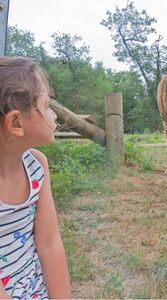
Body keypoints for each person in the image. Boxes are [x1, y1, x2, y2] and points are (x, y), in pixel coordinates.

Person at [0, 57, 71, 299]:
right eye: (47, 105)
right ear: (16, 122)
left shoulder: (37, 165)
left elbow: (50, 244)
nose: (54, 117)